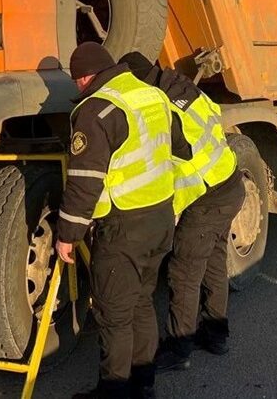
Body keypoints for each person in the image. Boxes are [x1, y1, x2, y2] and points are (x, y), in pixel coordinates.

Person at [56, 43, 180, 399]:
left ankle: (113, 393)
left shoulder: (96, 109)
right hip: (159, 217)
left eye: (77, 80)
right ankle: (144, 386)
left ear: (83, 77)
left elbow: (84, 181)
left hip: (125, 226)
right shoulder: (150, 95)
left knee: (114, 314)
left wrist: (68, 234)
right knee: (141, 301)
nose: (79, 87)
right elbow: (176, 148)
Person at [119, 52, 246, 373]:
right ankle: (216, 334)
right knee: (214, 259)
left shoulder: (157, 107)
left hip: (207, 195)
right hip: (228, 179)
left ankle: (179, 347)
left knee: (184, 270)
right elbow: (214, 116)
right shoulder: (182, 85)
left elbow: (164, 166)